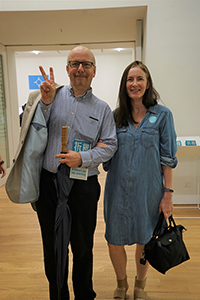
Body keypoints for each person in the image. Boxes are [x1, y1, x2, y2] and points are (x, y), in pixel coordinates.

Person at [6, 46, 117, 300]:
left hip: (83, 188)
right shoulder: (49, 96)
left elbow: (110, 144)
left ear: (94, 71)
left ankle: (83, 294)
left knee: (82, 248)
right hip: (49, 186)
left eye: (86, 64)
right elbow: (27, 128)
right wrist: (44, 106)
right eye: (75, 63)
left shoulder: (102, 109)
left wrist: (84, 158)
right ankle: (58, 294)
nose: (80, 69)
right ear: (67, 69)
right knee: (53, 248)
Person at [103, 61, 177, 300]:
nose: (134, 84)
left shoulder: (163, 116)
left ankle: (140, 287)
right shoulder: (116, 117)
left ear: (147, 83)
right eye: (130, 79)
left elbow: (168, 158)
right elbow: (106, 154)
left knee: (145, 239)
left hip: (149, 191)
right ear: (124, 85)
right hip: (117, 190)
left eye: (139, 79)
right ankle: (121, 284)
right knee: (114, 239)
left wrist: (167, 194)